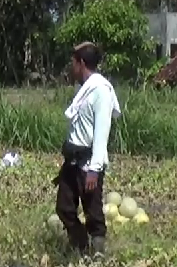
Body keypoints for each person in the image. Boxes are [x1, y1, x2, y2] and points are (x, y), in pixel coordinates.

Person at [55, 42, 122, 255]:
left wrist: (94, 169)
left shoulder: (100, 91)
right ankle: (80, 244)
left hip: (89, 164)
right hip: (73, 161)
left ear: (81, 63)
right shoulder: (84, 89)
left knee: (93, 214)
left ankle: (98, 255)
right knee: (64, 208)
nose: (70, 68)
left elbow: (102, 133)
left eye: (73, 63)